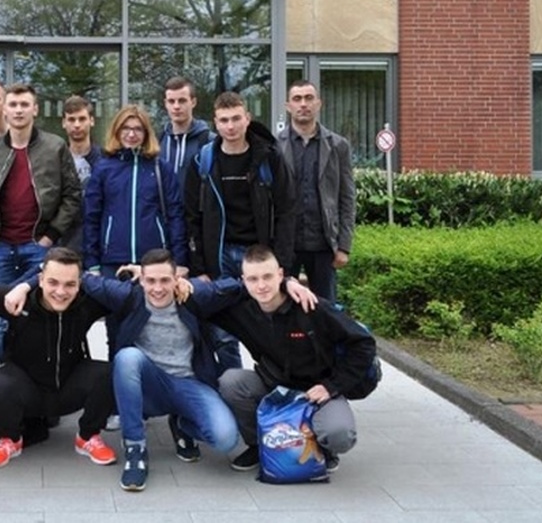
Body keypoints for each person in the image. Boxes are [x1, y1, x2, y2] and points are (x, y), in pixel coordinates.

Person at [79, 249, 313, 491]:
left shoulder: (194, 295)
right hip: (149, 386)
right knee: (127, 358)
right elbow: (83, 279)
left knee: (226, 439)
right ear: (142, 280)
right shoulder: (129, 295)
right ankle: (135, 447)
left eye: (165, 280)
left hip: (190, 383)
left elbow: (242, 284)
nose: (157, 288)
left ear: (177, 279)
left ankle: (182, 424)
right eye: (151, 281)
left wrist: (287, 282)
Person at [0, 247, 117, 469]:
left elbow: (128, 297)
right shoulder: (18, 301)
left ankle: (88, 436)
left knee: (109, 372)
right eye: (53, 282)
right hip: (27, 393)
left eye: (69, 284)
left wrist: (142, 277)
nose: (61, 292)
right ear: (40, 280)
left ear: (79, 284)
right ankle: (10, 439)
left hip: (68, 390)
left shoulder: (87, 303)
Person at [200, 244, 375, 472]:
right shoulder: (243, 309)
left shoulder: (310, 305)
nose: (261, 286)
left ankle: (322, 447)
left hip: (319, 391)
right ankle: (259, 444)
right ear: (243, 281)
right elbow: (200, 302)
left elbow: (363, 343)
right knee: (231, 381)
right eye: (253, 279)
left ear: (281, 274)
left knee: (339, 435)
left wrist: (332, 386)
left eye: (268, 277)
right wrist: (183, 285)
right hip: (274, 386)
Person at [0, 82, 82, 374]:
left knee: (41, 317)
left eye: (24, 105)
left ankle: (41, 381)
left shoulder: (55, 147)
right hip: (0, 248)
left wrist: (51, 235)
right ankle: (8, 381)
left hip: (39, 248)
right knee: (1, 321)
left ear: (35, 109)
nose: (18, 110)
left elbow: (72, 195)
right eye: (13, 104)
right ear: (4, 110)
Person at [184, 90, 296, 371]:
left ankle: (274, 379)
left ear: (247, 118)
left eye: (236, 118)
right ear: (215, 123)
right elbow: (191, 217)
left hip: (258, 256)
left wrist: (281, 262)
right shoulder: (202, 161)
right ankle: (232, 386)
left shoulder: (269, 158)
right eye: (224, 120)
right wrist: (200, 267)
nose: (230, 126)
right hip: (219, 256)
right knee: (223, 333)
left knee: (267, 324)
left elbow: (286, 212)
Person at [83, 104, 188, 277]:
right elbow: (91, 217)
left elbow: (176, 216)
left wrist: (180, 261)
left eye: (138, 129)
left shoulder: (161, 168)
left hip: (155, 261)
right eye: (126, 128)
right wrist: (92, 263)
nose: (131, 134)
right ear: (117, 130)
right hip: (112, 261)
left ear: (146, 133)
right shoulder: (103, 169)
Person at [276, 80, 356, 304]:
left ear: (319, 103)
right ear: (288, 106)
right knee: (283, 307)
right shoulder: (274, 146)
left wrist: (344, 246)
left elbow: (347, 197)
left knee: (325, 309)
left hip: (323, 244)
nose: (303, 104)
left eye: (309, 98)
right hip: (286, 244)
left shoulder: (338, 146)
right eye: (297, 99)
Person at [60, 95, 101, 253]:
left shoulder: (105, 160)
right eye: (71, 119)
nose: (77, 125)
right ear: (64, 123)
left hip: (97, 241)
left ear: (92, 121)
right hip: (63, 241)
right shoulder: (55, 159)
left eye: (82, 119)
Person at [158, 76, 213, 183]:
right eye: (171, 101)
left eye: (182, 101)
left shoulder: (209, 141)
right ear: (165, 104)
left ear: (193, 102)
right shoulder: (158, 141)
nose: (176, 106)